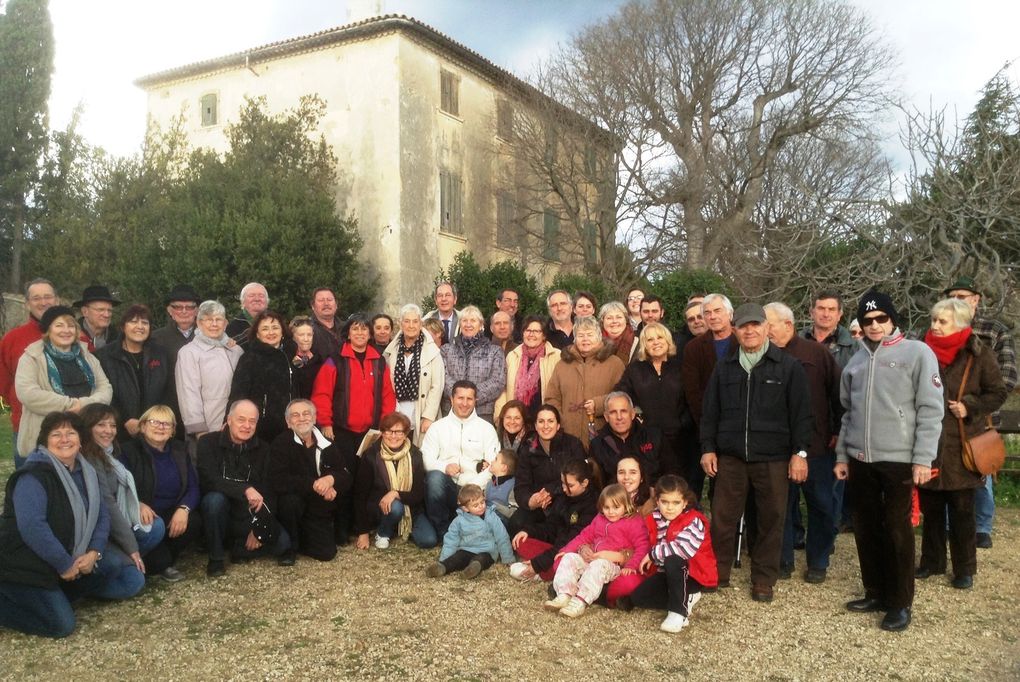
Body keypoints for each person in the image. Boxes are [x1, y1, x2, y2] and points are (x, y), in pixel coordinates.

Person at [835, 290, 944, 632]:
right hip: (860, 458)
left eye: (881, 318)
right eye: (867, 320)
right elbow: (847, 413)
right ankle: (876, 591)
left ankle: (900, 602)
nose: (874, 325)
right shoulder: (854, 360)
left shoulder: (917, 353)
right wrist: (842, 455)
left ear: (892, 319)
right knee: (866, 527)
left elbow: (930, 409)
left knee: (897, 530)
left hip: (899, 459)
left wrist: (923, 458)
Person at [700, 303, 813, 604]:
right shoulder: (724, 366)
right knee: (723, 518)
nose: (749, 331)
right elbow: (710, 412)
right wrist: (708, 448)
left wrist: (799, 453)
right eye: (743, 326)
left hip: (773, 458)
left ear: (766, 328)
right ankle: (717, 572)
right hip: (731, 457)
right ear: (735, 330)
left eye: (755, 325)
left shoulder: (787, 366)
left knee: (771, 519)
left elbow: (802, 415)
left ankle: (763, 579)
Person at [0, 412, 144, 638]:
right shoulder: (33, 476)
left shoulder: (87, 472)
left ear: (80, 439)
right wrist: (64, 563)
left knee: (121, 571)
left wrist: (94, 552)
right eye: (56, 434)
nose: (64, 439)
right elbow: (32, 528)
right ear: (45, 441)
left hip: (73, 553)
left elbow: (102, 516)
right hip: (27, 564)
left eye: (70, 433)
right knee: (62, 625)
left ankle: (57, 595)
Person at [916, 298, 1007, 589]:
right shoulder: (921, 349)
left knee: (962, 510)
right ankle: (931, 561)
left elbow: (997, 392)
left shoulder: (979, 354)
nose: (935, 326)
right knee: (930, 506)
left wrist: (970, 406)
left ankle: (965, 568)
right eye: (933, 320)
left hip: (962, 444)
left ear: (960, 323)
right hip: (929, 441)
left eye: (942, 321)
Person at [764, 302, 842, 583]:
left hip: (817, 445)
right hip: (776, 448)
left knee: (821, 504)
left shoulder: (817, 354)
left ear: (788, 324)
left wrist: (836, 430)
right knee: (780, 506)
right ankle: (783, 558)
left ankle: (818, 559)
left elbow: (838, 395)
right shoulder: (762, 356)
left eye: (769, 324)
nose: (765, 330)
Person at [944, 276, 1017, 550]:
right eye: (952, 296)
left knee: (980, 470)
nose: (956, 301)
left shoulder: (994, 331)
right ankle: (950, 525)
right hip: (944, 417)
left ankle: (982, 526)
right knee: (948, 470)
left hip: (980, 416)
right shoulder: (939, 329)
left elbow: (1007, 379)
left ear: (976, 299)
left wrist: (971, 403)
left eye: (962, 296)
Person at [197, 400, 292, 577]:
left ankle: (239, 547)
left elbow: (269, 489)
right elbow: (210, 480)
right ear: (229, 419)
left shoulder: (263, 448)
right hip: (220, 512)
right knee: (213, 500)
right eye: (241, 419)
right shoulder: (207, 443)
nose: (247, 426)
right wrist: (245, 489)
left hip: (248, 514)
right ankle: (216, 558)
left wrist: (259, 528)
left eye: (252, 421)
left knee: (284, 545)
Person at [617, 475, 718, 633]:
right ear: (657, 501)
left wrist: (652, 555)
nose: (670, 508)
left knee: (673, 559)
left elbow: (682, 549)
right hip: (665, 573)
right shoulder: (654, 518)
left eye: (676, 503)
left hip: (693, 574)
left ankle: (678, 612)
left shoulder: (694, 521)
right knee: (638, 598)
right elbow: (642, 541)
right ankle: (687, 597)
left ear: (685, 502)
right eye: (665, 502)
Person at [15, 306, 113, 460]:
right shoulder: (31, 357)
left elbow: (105, 387)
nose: (66, 330)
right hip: (46, 441)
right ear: (48, 330)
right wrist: (70, 405)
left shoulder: (87, 356)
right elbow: (28, 394)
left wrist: (84, 405)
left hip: (86, 438)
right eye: (59, 325)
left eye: (70, 326)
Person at [79, 404, 165, 579]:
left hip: (117, 521)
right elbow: (108, 503)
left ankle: (128, 561)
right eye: (101, 425)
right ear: (88, 427)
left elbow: (121, 489)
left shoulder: (109, 453)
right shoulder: (91, 458)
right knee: (132, 582)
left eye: (112, 425)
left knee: (155, 526)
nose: (108, 431)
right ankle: (122, 561)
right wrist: (132, 548)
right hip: (100, 530)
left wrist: (138, 503)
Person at [801, 290, 860, 535]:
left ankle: (828, 533)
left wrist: (839, 429)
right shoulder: (797, 341)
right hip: (802, 424)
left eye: (831, 309)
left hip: (837, 425)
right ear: (812, 311)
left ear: (840, 314)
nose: (825, 313)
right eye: (821, 308)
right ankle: (797, 534)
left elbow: (853, 393)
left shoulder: (853, 348)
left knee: (831, 488)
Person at [119, 405, 201, 582]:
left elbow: (193, 487)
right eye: (154, 422)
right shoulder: (128, 451)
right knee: (157, 562)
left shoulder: (180, 450)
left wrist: (184, 509)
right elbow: (120, 487)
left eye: (167, 424)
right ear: (142, 426)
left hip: (172, 512)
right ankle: (159, 560)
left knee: (195, 521)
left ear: (172, 431)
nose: (160, 427)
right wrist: (138, 503)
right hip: (147, 515)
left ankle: (162, 558)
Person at [543, 483, 650, 619]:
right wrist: (567, 549)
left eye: (616, 507)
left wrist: (631, 566)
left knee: (598, 565)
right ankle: (564, 594)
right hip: (592, 557)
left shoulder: (633, 522)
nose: (611, 512)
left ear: (626, 505)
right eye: (606, 507)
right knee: (569, 558)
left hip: (612, 565)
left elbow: (642, 546)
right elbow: (585, 535)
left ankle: (580, 601)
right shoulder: (599, 519)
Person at [273, 399, 354, 562]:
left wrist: (330, 480)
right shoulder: (280, 444)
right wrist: (316, 485)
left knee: (327, 554)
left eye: (306, 413)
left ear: (314, 418)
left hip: (318, 505)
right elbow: (278, 480)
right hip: (292, 503)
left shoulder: (328, 444)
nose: (302, 418)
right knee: (290, 503)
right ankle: (290, 547)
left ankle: (305, 536)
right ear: (288, 423)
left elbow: (345, 475)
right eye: (295, 415)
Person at [421, 381, 500, 536]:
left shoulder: (487, 429)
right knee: (435, 478)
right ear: (451, 399)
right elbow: (425, 459)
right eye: (460, 398)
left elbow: (493, 465)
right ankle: (444, 530)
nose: (464, 403)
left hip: (474, 492)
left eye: (469, 399)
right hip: (447, 488)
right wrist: (444, 467)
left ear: (475, 401)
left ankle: (465, 525)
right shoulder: (438, 427)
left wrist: (471, 486)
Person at [615, 323, 690, 481]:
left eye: (659, 337)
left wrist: (682, 422)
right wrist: (637, 417)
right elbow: (621, 395)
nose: (655, 342)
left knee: (678, 484)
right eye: (650, 339)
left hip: (679, 438)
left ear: (668, 340)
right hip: (647, 439)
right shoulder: (635, 369)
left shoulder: (680, 367)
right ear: (644, 345)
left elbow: (691, 398)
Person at [312, 313, 396, 453]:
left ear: (370, 335)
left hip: (371, 431)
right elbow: (322, 394)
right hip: (340, 430)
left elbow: (387, 395)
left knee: (366, 472)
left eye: (364, 329)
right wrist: (326, 423)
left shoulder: (379, 362)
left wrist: (384, 424)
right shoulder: (335, 360)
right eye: (355, 329)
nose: (360, 333)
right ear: (348, 334)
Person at [353, 411, 438, 550]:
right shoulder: (371, 455)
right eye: (389, 431)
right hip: (380, 509)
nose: (393, 436)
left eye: (399, 432)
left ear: (405, 434)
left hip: (412, 509)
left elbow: (418, 494)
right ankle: (383, 532)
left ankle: (401, 526)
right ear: (382, 433)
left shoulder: (415, 455)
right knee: (396, 507)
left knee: (428, 541)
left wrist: (395, 493)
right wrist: (363, 532)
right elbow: (359, 495)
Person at [509, 459, 599, 583]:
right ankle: (544, 571)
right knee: (521, 541)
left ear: (584, 483)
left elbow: (571, 542)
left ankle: (543, 573)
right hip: (555, 548)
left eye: (570, 486)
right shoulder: (564, 498)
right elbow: (550, 526)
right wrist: (528, 531)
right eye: (563, 484)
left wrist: (538, 564)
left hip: (572, 552)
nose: (565, 489)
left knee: (563, 561)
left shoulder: (592, 506)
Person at [0, 278, 57, 468]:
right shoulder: (12, 339)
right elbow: (4, 383)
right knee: (30, 485)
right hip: (28, 427)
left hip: (69, 427)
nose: (43, 302)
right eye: (36, 298)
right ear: (27, 304)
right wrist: (17, 409)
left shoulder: (75, 336)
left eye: (48, 297)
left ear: (56, 300)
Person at [545, 315, 626, 448]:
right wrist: (562, 420)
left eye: (590, 334)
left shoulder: (614, 363)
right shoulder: (562, 364)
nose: (585, 339)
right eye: (581, 335)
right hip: (568, 435)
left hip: (604, 433)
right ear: (575, 338)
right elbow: (552, 398)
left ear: (599, 336)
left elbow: (623, 396)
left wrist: (599, 405)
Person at [96, 304, 173, 442]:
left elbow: (168, 390)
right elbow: (104, 393)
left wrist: (155, 420)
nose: (140, 326)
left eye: (145, 322)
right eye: (133, 322)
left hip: (155, 429)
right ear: (123, 326)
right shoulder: (105, 356)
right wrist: (124, 419)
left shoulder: (161, 353)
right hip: (119, 431)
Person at [175, 300, 243, 445]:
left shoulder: (236, 351)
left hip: (238, 426)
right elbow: (188, 393)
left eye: (218, 319)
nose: (214, 324)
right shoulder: (189, 353)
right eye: (208, 319)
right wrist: (198, 429)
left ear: (225, 324)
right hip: (208, 428)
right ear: (199, 323)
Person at [511, 404, 587, 531]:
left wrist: (551, 491)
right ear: (535, 426)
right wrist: (531, 501)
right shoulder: (527, 449)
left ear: (558, 425)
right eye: (541, 421)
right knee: (516, 523)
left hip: (568, 500)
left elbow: (581, 476)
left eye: (550, 421)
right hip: (540, 505)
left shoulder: (573, 444)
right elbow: (520, 486)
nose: (546, 426)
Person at [228, 310, 298, 444]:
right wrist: (231, 419)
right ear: (258, 334)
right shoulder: (249, 358)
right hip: (259, 426)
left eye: (275, 328)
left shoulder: (290, 355)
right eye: (265, 329)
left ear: (282, 331)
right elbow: (238, 392)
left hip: (289, 425)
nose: (271, 332)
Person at [382, 304, 445, 446]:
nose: (411, 325)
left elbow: (437, 386)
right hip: (397, 410)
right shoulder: (392, 350)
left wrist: (428, 417)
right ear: (400, 323)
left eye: (415, 321)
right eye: (407, 321)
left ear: (420, 324)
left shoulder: (432, 351)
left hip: (421, 411)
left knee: (419, 453)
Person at [425, 484, 514, 579]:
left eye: (482, 502)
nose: (481, 506)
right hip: (466, 550)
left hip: (487, 551)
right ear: (465, 508)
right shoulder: (459, 521)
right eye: (476, 505)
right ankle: (443, 566)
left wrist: (508, 559)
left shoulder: (491, 516)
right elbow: (451, 540)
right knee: (457, 558)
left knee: (481, 560)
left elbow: (502, 536)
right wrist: (445, 558)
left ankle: (472, 569)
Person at [149, 284, 201, 437]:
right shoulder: (155, 339)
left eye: (189, 307)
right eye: (178, 307)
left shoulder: (209, 337)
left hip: (202, 410)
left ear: (197, 310)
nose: (184, 311)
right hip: (168, 409)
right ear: (169, 310)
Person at [441, 305, 506, 422]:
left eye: (473, 320)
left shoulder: (495, 351)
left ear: (481, 325)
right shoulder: (446, 350)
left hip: (482, 412)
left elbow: (498, 381)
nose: (468, 324)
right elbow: (442, 377)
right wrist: (459, 397)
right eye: (464, 320)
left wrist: (470, 397)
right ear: (460, 324)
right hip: (451, 411)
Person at [682, 293, 736, 431]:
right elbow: (692, 392)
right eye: (707, 313)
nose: (712, 316)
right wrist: (706, 425)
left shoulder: (744, 341)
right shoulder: (693, 348)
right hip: (709, 424)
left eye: (717, 311)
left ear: (730, 314)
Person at [495, 315, 562, 418]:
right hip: (517, 419)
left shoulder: (556, 356)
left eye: (536, 331)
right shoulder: (512, 356)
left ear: (544, 335)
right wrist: (500, 416)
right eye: (528, 330)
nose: (531, 334)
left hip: (544, 420)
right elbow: (503, 389)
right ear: (523, 333)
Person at [590, 392, 663, 484]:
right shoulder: (597, 445)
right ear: (606, 417)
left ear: (632, 414)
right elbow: (598, 484)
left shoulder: (653, 436)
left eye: (623, 411)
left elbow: (672, 472)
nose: (619, 417)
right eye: (613, 412)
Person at [75, 285, 120, 352]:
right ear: (85, 312)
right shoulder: (71, 336)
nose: (106, 315)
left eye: (109, 310)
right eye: (100, 310)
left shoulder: (119, 339)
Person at [288, 315, 324, 400]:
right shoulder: (287, 360)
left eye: (309, 335)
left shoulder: (320, 360)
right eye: (301, 335)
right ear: (293, 336)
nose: (306, 339)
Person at [225, 282, 270, 348]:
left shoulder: (277, 323)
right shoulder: (232, 327)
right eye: (251, 296)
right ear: (243, 302)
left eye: (261, 296)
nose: (257, 299)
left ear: (267, 302)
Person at [600, 301, 637, 365]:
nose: (614, 321)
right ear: (602, 321)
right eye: (609, 318)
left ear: (626, 320)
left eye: (619, 317)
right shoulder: (593, 342)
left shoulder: (638, 342)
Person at [310, 287, 342, 360]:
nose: (326, 303)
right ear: (313, 306)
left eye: (330, 300)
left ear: (336, 305)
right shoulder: (307, 330)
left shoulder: (346, 329)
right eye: (321, 300)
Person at [487, 449, 517, 524]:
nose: (492, 461)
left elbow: (513, 512)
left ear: (504, 467)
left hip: (502, 520)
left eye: (496, 459)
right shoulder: (489, 483)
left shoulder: (513, 486)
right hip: (486, 515)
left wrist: (493, 505)